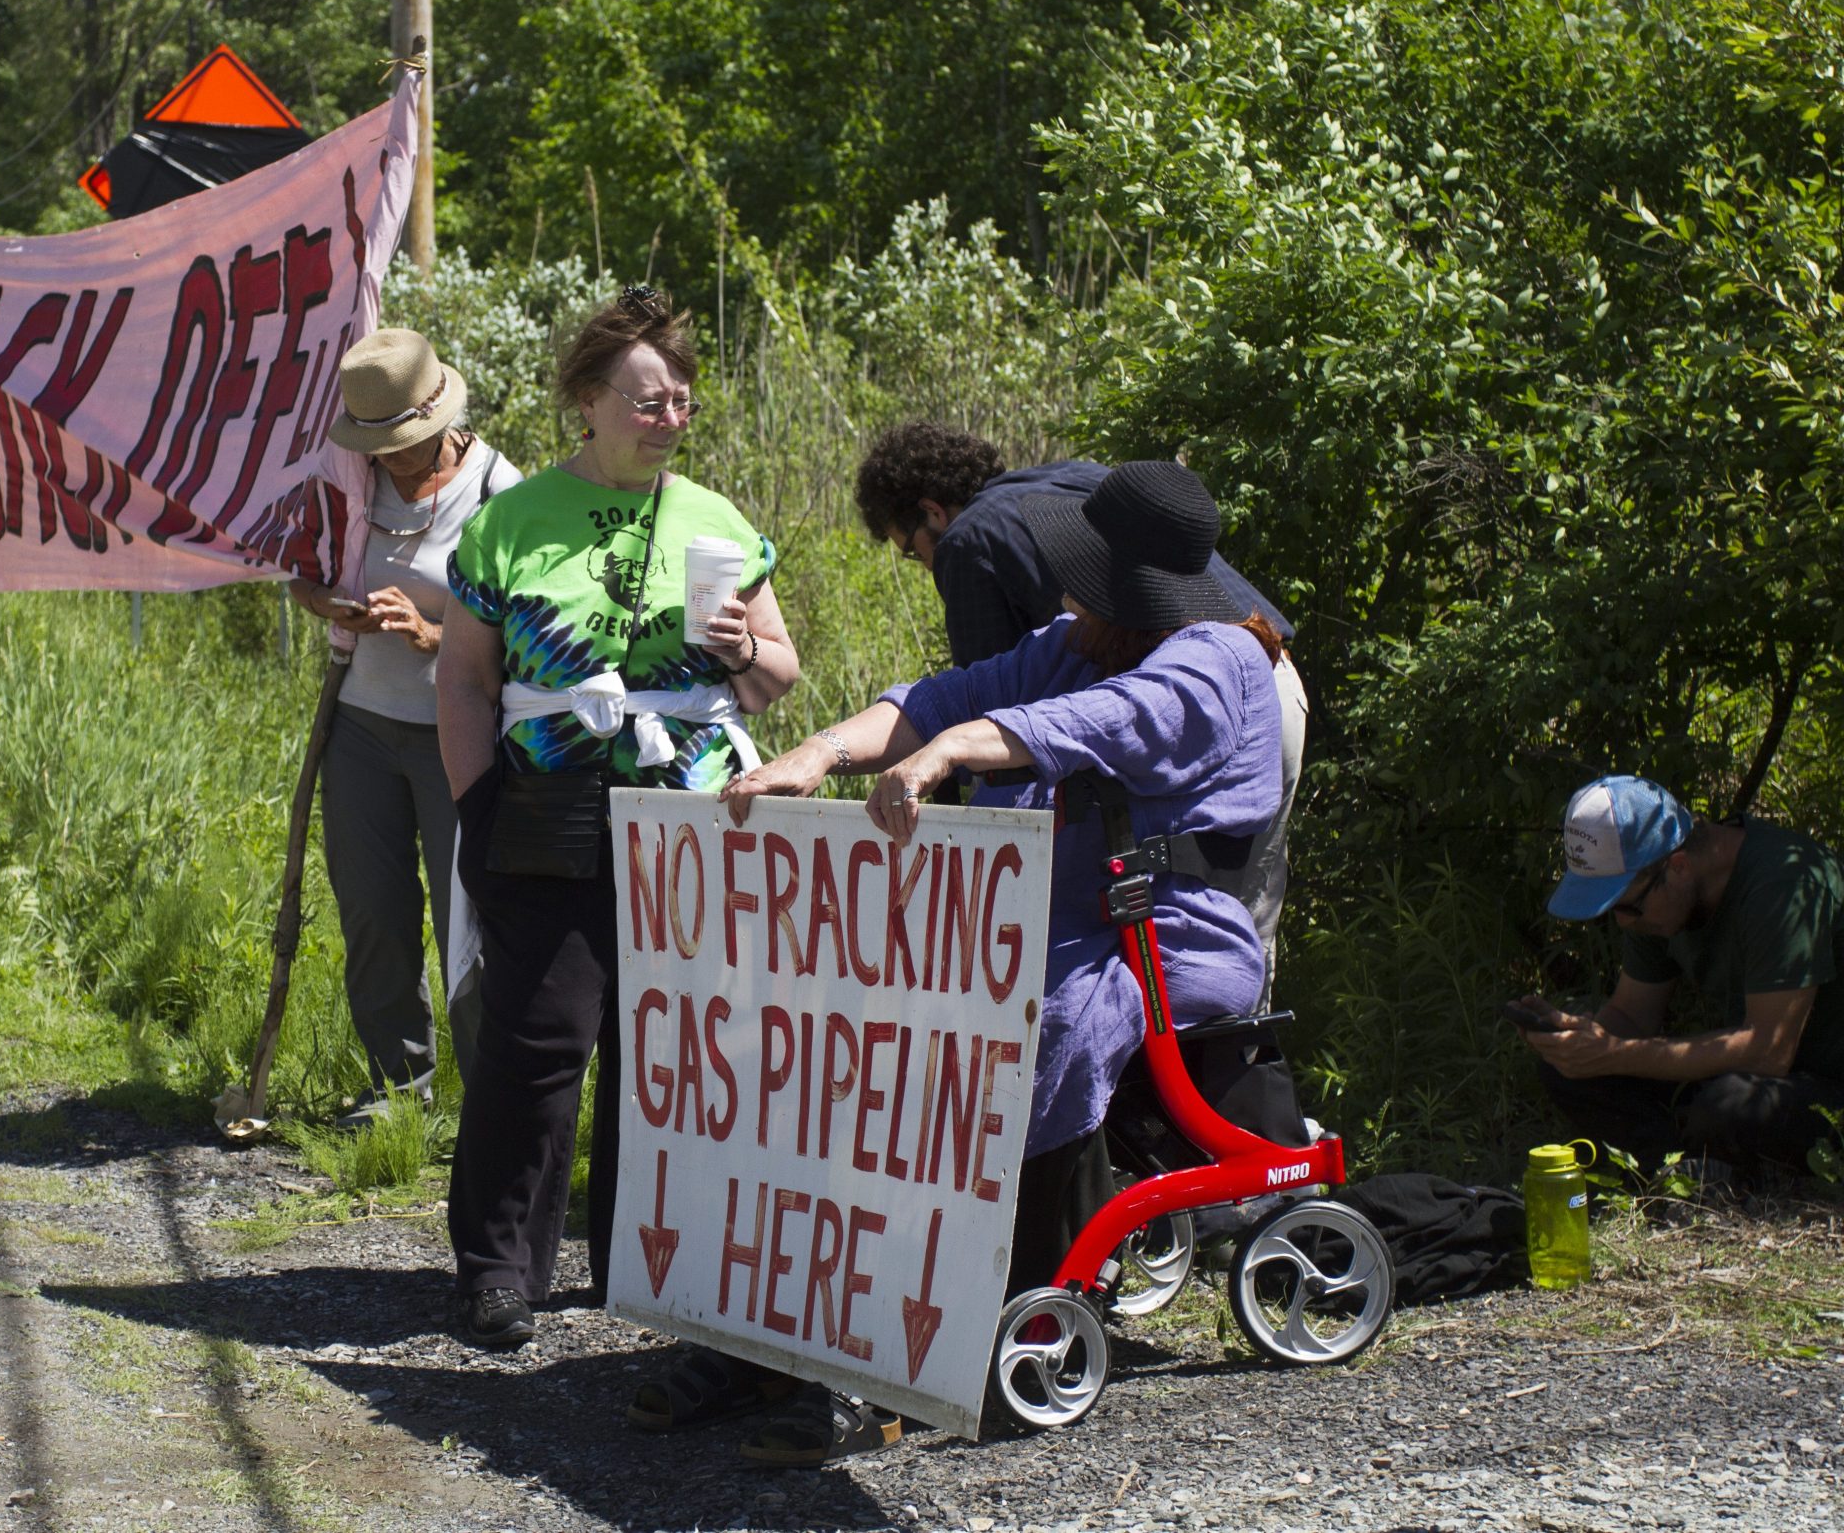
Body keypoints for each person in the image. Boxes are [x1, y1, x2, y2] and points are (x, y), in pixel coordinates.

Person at [652, 459, 1284, 1465]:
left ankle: (976, 1322)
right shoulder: (1070, 644)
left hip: (1161, 934)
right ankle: (775, 1331)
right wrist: (820, 752)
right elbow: (944, 694)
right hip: (1045, 918)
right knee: (828, 1030)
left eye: (1087, 585)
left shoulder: (1218, 661)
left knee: (1025, 1039)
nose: (1069, 598)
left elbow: (1097, 726)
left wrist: (953, 754)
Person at [439, 285, 799, 1352]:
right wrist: (474, 802)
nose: (670, 419)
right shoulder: (511, 521)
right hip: (543, 806)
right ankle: (500, 1272)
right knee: (537, 1042)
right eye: (648, 402)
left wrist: (739, 648)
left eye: (682, 402)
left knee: (670, 1046)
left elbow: (777, 676)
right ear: (588, 403)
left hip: (687, 814)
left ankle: (639, 1261)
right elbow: (462, 680)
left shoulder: (717, 520)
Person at [854, 421, 1306, 988]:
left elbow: (1044, 726)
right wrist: (825, 750)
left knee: (1214, 901)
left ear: (931, 511)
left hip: (1224, 689)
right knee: (1213, 890)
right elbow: (977, 693)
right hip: (1273, 675)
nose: (1067, 583)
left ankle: (1224, 1051)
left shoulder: (968, 541)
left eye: (912, 551)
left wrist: (952, 767)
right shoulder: (1065, 485)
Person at [288, 329, 520, 1120]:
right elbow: (306, 570)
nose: (392, 460)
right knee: (373, 913)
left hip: (459, 739)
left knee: (472, 923)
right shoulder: (349, 478)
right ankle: (398, 1087)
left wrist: (432, 635)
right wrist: (331, 605)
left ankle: (493, 1103)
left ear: (439, 420)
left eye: (405, 445)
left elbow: (528, 626)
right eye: (379, 447)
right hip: (359, 729)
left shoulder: (499, 491)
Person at [1518, 774, 1844, 1181]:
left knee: (1728, 1106)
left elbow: (1769, 1051)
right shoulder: (1656, 899)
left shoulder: (1784, 883)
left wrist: (1615, 1053)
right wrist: (1577, 1041)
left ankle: (1703, 1162)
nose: (1622, 923)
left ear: (1679, 867)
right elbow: (1632, 1017)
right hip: (1748, 1076)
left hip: (1822, 1087)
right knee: (1566, 1074)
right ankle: (1676, 1169)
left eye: (1628, 907)